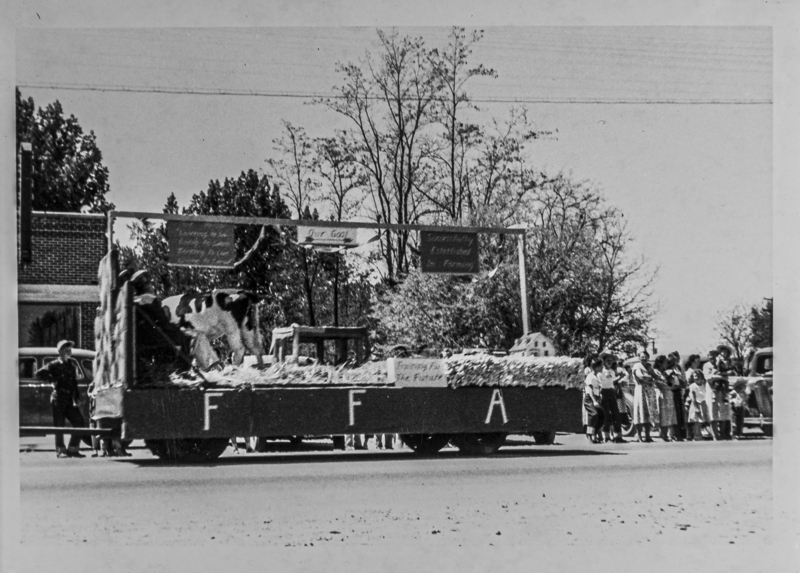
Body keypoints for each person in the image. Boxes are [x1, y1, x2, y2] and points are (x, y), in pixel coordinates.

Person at [36, 340, 86, 458]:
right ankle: (61, 450)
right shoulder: (54, 365)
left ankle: (73, 449)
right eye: (66, 348)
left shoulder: (71, 366)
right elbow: (39, 373)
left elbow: (74, 384)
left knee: (79, 421)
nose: (69, 350)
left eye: (69, 348)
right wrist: (52, 379)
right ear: (60, 351)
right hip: (58, 397)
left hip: (68, 398)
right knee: (59, 425)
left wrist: (77, 398)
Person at [631, 351, 658, 442]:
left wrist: (651, 378)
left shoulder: (649, 366)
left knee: (648, 413)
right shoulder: (637, 366)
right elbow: (642, 377)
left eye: (645, 357)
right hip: (640, 390)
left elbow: (656, 377)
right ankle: (639, 436)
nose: (644, 358)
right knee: (640, 413)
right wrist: (651, 379)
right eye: (642, 357)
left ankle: (648, 436)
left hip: (649, 391)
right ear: (639, 357)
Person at [598, 354, 626, 443]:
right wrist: (619, 378)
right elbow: (603, 382)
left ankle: (618, 436)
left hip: (611, 392)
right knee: (606, 415)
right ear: (604, 361)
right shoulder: (600, 371)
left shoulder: (612, 371)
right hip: (603, 392)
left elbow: (612, 381)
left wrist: (619, 378)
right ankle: (606, 436)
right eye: (608, 360)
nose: (610, 362)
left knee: (616, 414)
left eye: (611, 360)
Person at [652, 355, 677, 441]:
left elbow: (671, 383)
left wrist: (671, 377)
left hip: (668, 393)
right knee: (663, 414)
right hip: (661, 393)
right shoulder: (655, 371)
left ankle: (668, 434)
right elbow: (659, 382)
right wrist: (667, 379)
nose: (666, 364)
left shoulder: (665, 372)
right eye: (665, 362)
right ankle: (663, 435)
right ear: (660, 363)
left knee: (669, 414)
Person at [684, 354, 709, 441]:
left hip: (702, 402)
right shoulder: (691, 382)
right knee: (695, 420)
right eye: (696, 361)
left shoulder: (703, 383)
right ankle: (695, 435)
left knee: (701, 420)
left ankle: (700, 434)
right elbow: (692, 395)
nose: (698, 363)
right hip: (694, 401)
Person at [666, 352, 688, 441]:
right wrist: (679, 385)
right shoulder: (668, 370)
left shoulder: (678, 368)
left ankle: (681, 433)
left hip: (679, 391)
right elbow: (670, 383)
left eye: (677, 359)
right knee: (673, 413)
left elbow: (682, 379)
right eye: (674, 359)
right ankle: (673, 434)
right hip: (672, 391)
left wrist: (683, 384)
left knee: (680, 413)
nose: (676, 361)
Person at [583, 358, 605, 443]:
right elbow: (589, 390)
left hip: (596, 398)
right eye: (601, 366)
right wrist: (594, 401)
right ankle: (589, 434)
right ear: (597, 367)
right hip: (590, 399)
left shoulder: (597, 376)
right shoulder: (590, 376)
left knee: (601, 416)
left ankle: (595, 434)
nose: (602, 367)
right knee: (594, 415)